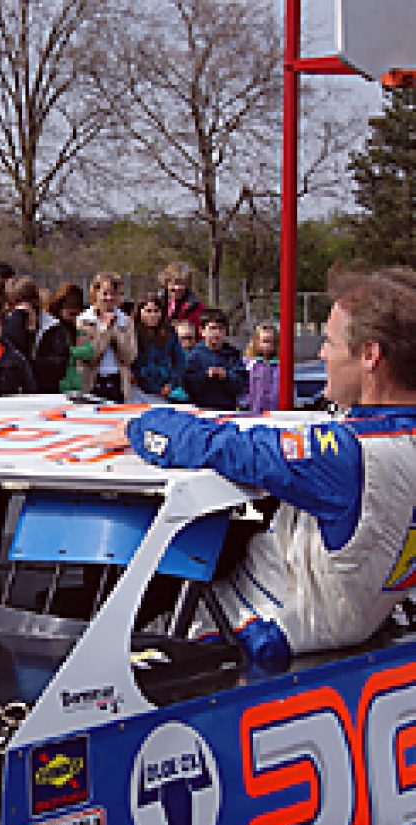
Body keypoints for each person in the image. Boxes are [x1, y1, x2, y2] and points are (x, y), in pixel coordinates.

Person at [112, 265, 416, 668]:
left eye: (328, 342)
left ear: (370, 355)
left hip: (251, 640)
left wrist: (138, 426)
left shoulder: (349, 453)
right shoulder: (377, 440)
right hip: (341, 629)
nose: (322, 353)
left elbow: (219, 446)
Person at [2, 276, 70, 394]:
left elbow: (59, 367)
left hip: (46, 392)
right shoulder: (6, 326)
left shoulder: (53, 328)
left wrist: (29, 365)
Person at [76, 272, 137, 402]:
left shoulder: (125, 321)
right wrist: (104, 331)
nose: (109, 298)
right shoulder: (83, 321)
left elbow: (129, 356)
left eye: (114, 294)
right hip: (92, 383)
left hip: (117, 383)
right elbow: (88, 356)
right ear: (96, 293)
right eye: (105, 293)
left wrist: (115, 332)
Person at [183, 307, 247, 410]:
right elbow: (188, 384)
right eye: (212, 328)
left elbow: (241, 384)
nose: (216, 333)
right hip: (200, 409)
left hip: (227, 409)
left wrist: (226, 376)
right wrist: (206, 375)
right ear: (202, 331)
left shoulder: (233, 354)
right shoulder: (194, 355)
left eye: (220, 328)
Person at [131, 294, 186, 402]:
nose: (152, 315)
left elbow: (179, 362)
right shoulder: (131, 333)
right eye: (148, 311)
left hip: (163, 390)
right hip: (137, 389)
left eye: (156, 311)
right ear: (140, 312)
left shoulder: (170, 333)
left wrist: (171, 384)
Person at [48, 283, 94, 394]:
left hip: (78, 383)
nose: (73, 311)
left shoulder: (81, 326)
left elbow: (89, 351)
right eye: (68, 305)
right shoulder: (52, 327)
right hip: (58, 383)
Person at [243, 322, 280, 413]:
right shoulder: (248, 364)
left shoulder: (281, 365)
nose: (268, 345)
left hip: (277, 414)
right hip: (254, 413)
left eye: (271, 342)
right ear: (257, 342)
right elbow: (242, 388)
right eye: (265, 341)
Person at [160, 261, 203, 335]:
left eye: (182, 284)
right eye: (174, 283)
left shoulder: (196, 306)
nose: (177, 288)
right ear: (166, 283)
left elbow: (201, 333)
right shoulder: (158, 304)